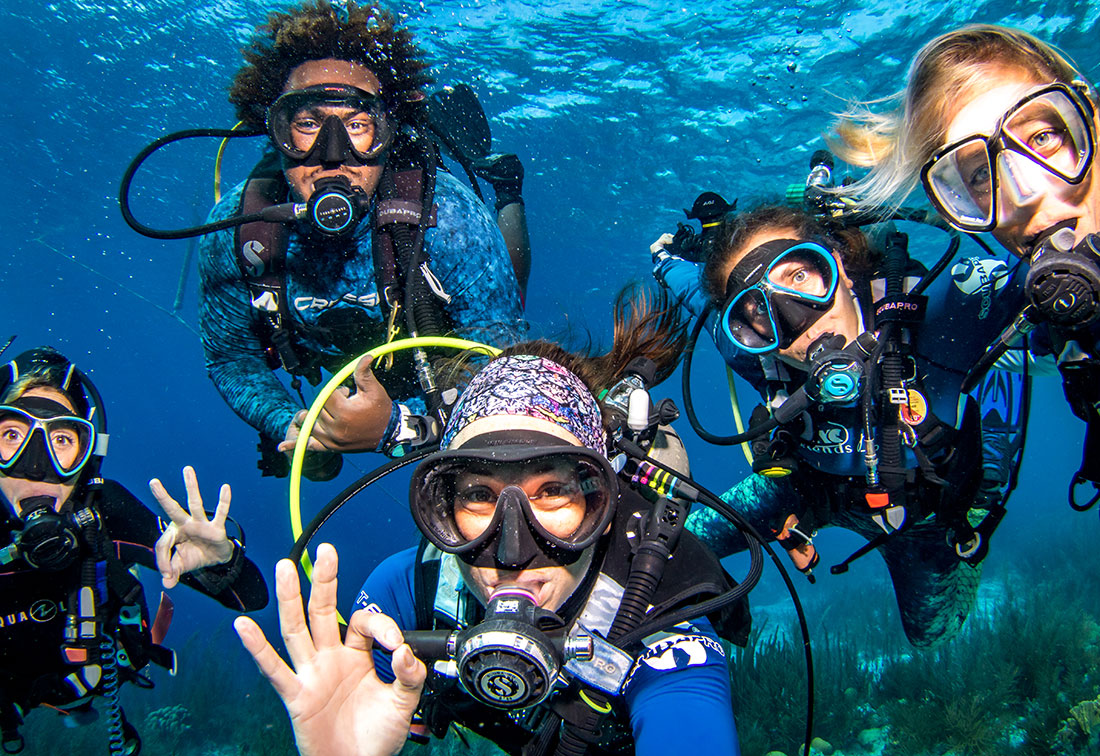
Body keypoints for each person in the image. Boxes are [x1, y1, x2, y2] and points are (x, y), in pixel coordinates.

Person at [235, 294, 751, 756]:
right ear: (442, 508)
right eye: (480, 496)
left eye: (551, 492)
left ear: (604, 505)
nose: (512, 553)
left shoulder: (659, 617)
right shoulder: (405, 591)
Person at [653, 203, 1028, 647]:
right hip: (807, 492)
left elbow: (1045, 278)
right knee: (662, 551)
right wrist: (662, 259)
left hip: (924, 511)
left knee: (933, 635)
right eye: (759, 311)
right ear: (746, 327)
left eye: (798, 277)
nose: (798, 323)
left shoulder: (939, 314)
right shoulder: (751, 352)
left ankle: (992, 415)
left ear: (842, 268)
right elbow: (693, 294)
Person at [199, 0, 527, 481]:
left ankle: (506, 188)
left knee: (514, 280)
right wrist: (294, 424)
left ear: (388, 135)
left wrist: (397, 426)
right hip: (343, 361)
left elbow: (505, 358)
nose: (334, 157)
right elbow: (230, 355)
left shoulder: (449, 218)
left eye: (357, 125)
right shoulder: (239, 231)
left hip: (437, 361)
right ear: (276, 133)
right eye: (308, 125)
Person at [828, 23, 1100, 509]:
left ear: (1091, 120)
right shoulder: (1028, 300)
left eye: (1043, 136)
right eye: (978, 175)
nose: (1024, 193)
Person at [0, 347, 268, 754]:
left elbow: (251, 597)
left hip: (87, 684)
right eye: (12, 436)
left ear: (88, 456)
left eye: (61, 439)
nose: (35, 465)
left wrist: (221, 560)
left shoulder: (104, 512)